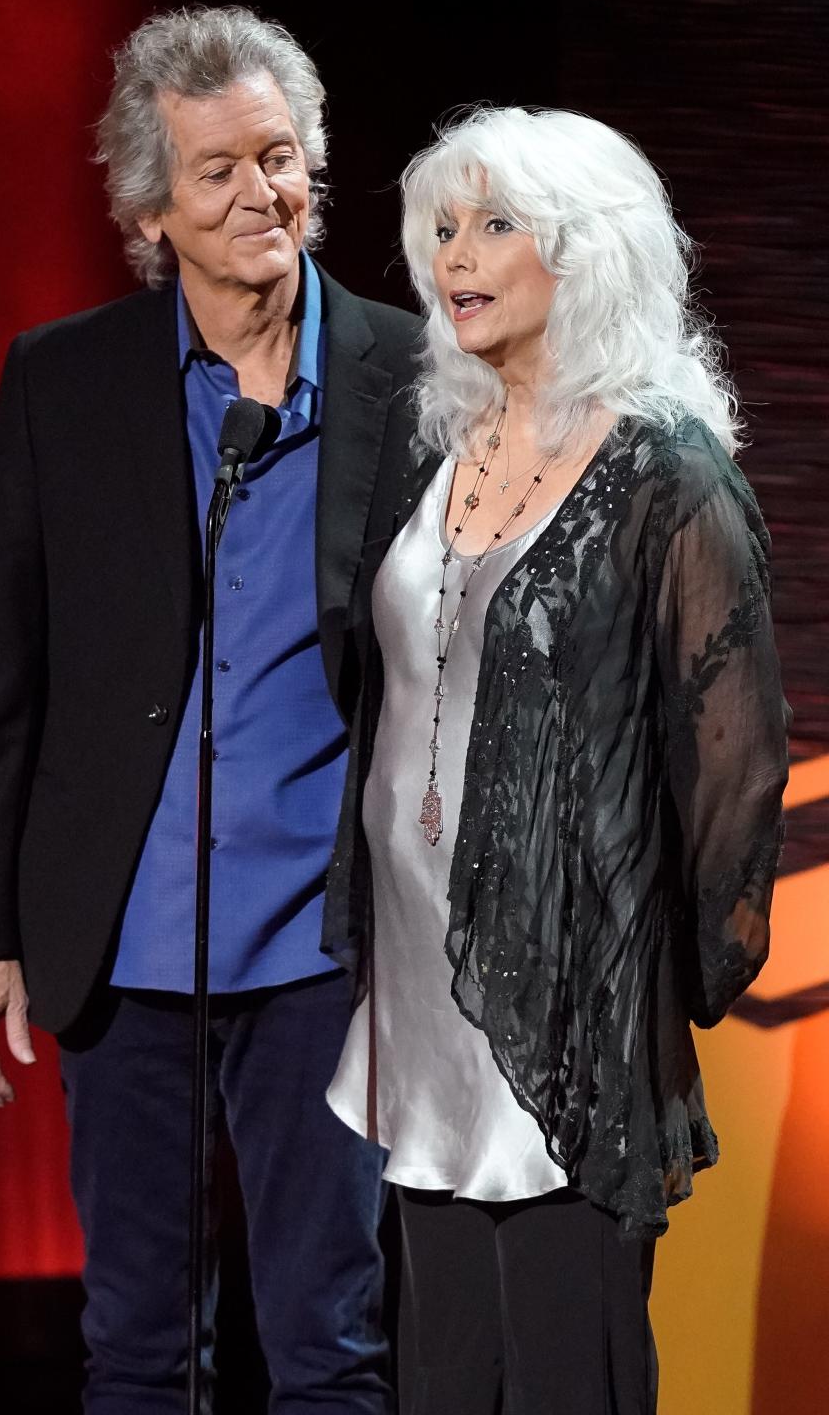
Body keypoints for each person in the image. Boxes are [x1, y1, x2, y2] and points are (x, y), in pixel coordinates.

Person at [0, 5, 422, 1414]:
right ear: (153, 207)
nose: (261, 194)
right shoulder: (62, 381)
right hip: (120, 948)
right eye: (218, 171)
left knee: (330, 1345)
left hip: (329, 952)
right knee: (140, 1350)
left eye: (280, 158)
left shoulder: (412, 377)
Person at [324, 105, 791, 1415]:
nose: (455, 256)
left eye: (495, 226)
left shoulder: (667, 472)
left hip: (571, 997)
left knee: (567, 1366)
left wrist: (665, 975)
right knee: (443, 1367)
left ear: (583, 255)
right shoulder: (431, 451)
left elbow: (736, 758)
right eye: (444, 228)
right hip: (417, 986)